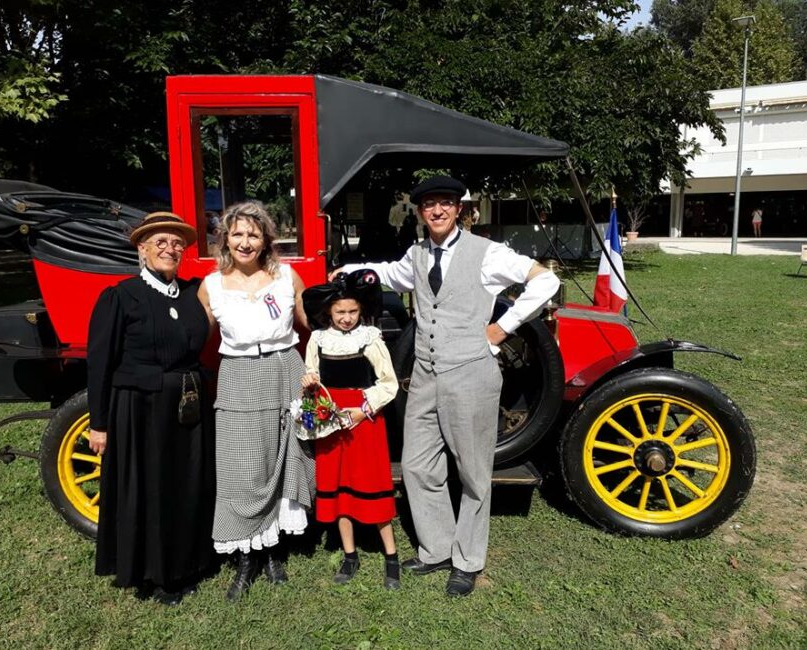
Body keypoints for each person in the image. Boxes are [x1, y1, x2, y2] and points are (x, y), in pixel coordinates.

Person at [332, 175, 559, 597]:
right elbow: (390, 274)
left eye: (445, 204)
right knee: (418, 465)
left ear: (459, 209)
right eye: (429, 205)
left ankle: (467, 560)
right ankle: (436, 547)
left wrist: (502, 328)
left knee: (473, 472)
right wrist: (348, 269)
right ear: (420, 212)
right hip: (424, 374)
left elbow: (546, 281)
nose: (436, 211)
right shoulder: (417, 253)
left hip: (472, 372)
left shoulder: (486, 253)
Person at [87, 211, 215, 606]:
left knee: (187, 483)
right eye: (160, 242)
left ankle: (189, 560)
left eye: (177, 243)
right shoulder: (121, 296)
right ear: (142, 248)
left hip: (188, 403)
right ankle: (157, 574)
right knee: (153, 488)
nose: (170, 249)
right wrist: (99, 424)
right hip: (140, 408)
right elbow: (100, 363)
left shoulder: (193, 294)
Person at [197, 200, 314, 601]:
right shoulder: (211, 285)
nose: (245, 242)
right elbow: (193, 338)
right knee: (242, 465)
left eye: (253, 233)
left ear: (266, 239)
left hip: (285, 368)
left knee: (285, 456)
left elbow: (312, 322)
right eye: (238, 233)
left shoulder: (286, 278)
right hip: (239, 374)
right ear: (225, 238)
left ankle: (273, 552)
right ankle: (246, 557)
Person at [301, 270, 401, 589]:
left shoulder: (369, 337)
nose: (346, 318)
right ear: (329, 312)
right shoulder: (318, 340)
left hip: (363, 419)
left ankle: (391, 555)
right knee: (338, 485)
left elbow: (389, 383)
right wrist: (310, 385)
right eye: (340, 312)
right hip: (331, 419)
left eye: (353, 311)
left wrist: (363, 410)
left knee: (371, 480)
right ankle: (349, 553)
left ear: (361, 310)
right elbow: (312, 376)